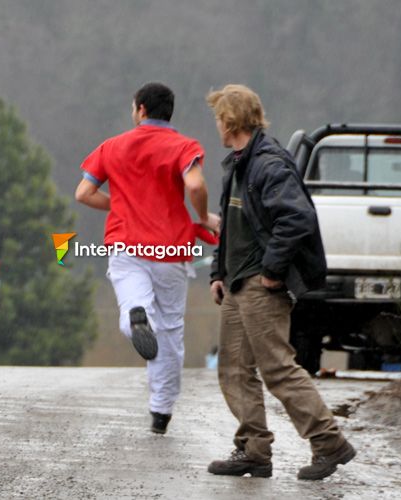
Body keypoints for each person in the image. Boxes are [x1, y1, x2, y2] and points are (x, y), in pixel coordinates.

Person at [205, 84, 355, 480]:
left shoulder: (269, 164)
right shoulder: (237, 163)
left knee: (278, 369)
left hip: (261, 286)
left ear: (231, 120)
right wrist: (217, 274)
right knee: (234, 370)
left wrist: (271, 270)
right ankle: (254, 451)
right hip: (236, 284)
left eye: (219, 118)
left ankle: (329, 443)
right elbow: (230, 225)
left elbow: (297, 218)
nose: (216, 125)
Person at [75, 82, 220, 434]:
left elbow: (84, 193)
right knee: (170, 329)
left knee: (133, 305)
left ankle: (135, 319)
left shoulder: (112, 147)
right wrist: (201, 217)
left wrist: (123, 202)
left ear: (139, 109)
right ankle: (161, 410)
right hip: (171, 248)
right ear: (168, 111)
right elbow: (196, 186)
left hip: (126, 244)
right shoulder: (183, 146)